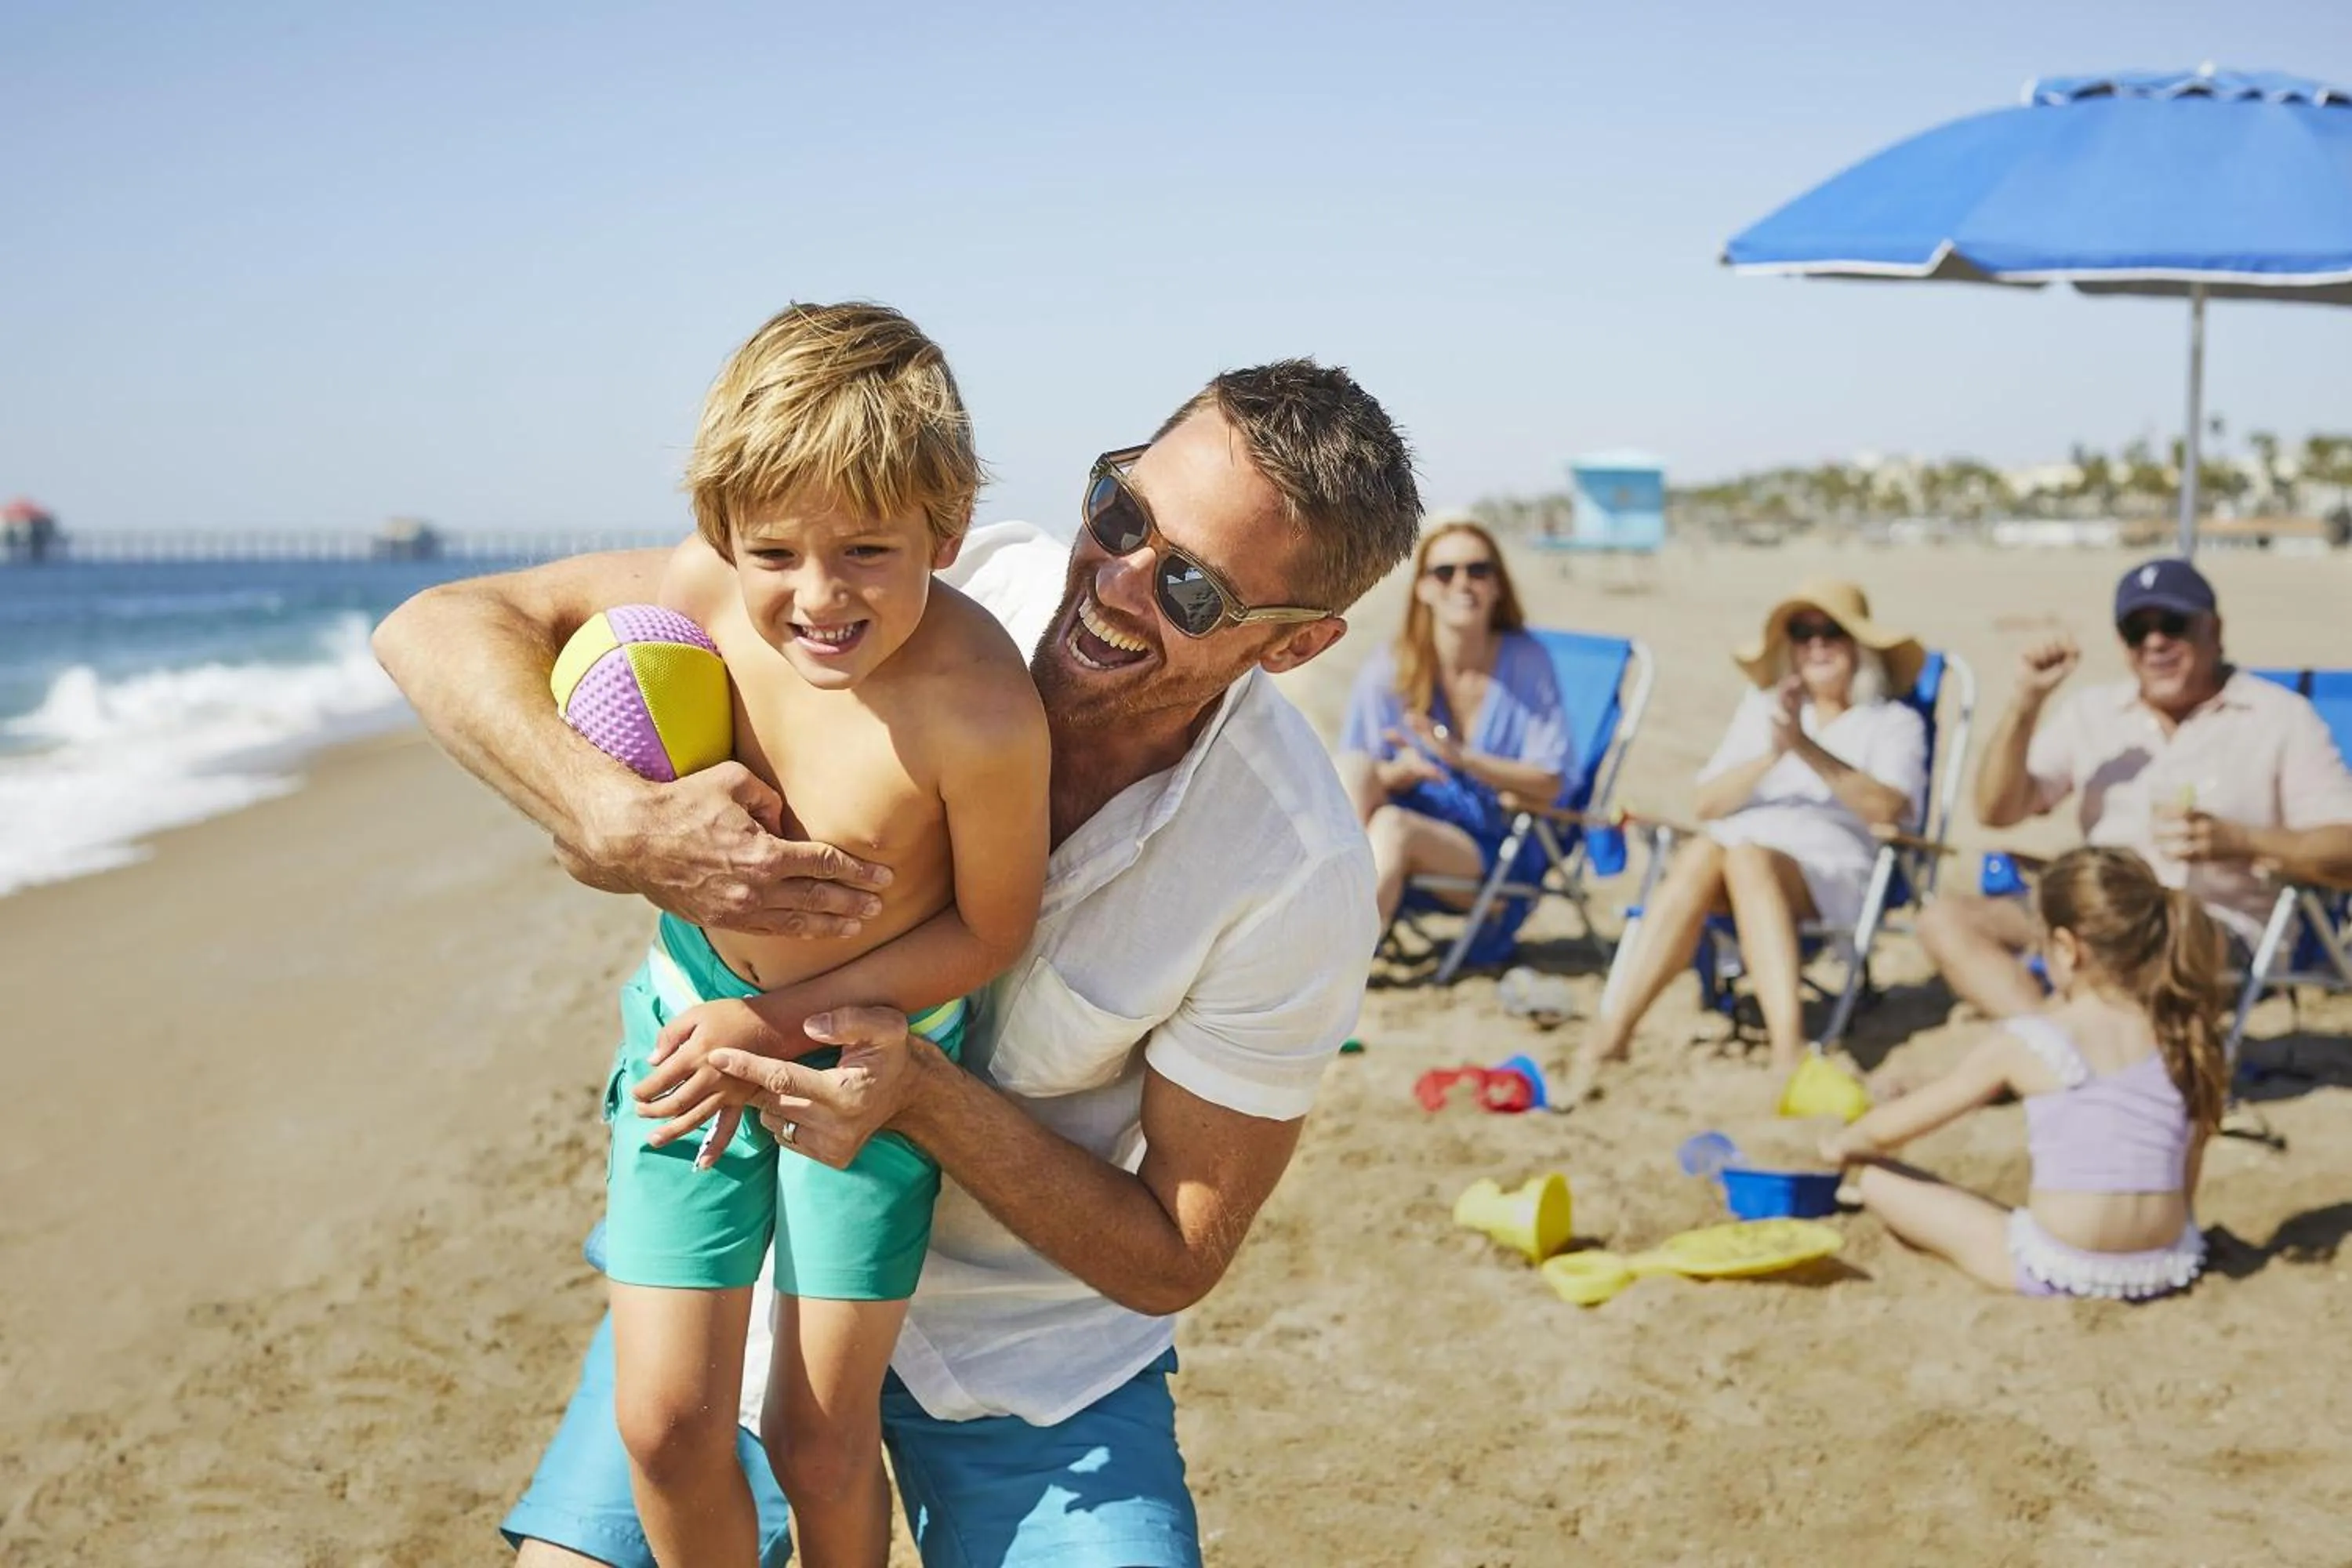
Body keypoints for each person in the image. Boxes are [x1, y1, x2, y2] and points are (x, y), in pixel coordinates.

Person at [371, 358, 1422, 1568]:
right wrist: (613, 816)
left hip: (1027, 1361)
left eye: (1189, 587)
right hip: (754, 1281)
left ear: (1294, 649)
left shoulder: (1293, 872)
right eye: (1122, 514)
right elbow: (442, 626)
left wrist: (922, 1093)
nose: (1116, 582)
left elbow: (1174, 1253)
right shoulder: (890, 569)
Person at [574, 303, 1050, 1568]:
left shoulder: (984, 706)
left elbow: (993, 926)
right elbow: (584, 722)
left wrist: (768, 1023)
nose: (818, 596)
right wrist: (619, 816)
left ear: (946, 532)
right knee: (665, 1420)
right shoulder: (694, 601)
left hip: (856, 1075)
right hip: (687, 1026)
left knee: (818, 1440)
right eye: (773, 549)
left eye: (868, 550)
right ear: (723, 531)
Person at [1918, 557, 2352, 1022]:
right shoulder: (2094, 712)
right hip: (2095, 914)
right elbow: (1996, 810)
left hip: (2210, 928)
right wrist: (2026, 703)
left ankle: (2059, 1048)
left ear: (2215, 629)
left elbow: (2344, 847)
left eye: (2173, 624)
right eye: (2135, 631)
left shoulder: (2280, 717)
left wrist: (2242, 842)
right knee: (1945, 920)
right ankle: (2059, 1045)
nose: (2155, 643)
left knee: (2122, 937)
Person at [1820, 846, 2224, 1300]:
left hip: (2061, 1265)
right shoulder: (2184, 1036)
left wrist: (1844, 1144)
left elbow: (1896, 1128)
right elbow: (2187, 1170)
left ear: (2068, 949)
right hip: (2168, 1262)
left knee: (1880, 1182)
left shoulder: (2039, 1039)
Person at [1570, 579, 1928, 1087]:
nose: (1817, 645)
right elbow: (1707, 802)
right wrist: (1777, 749)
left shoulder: (1892, 722)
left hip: (1828, 867)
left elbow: (1889, 808)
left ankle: (1787, 1048)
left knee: (1743, 854)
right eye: (1803, 634)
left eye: (1832, 633)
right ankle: (1615, 1034)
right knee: (1708, 852)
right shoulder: (1763, 710)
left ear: (1860, 647)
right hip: (1734, 854)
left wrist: (1807, 748)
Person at [1334, 515, 1570, 937]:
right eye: (1445, 572)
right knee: (1355, 768)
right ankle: (1326, 904)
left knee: (1393, 827)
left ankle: (1330, 959)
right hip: (1396, 823)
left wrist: (1461, 759)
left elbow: (1550, 782)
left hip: (1488, 840)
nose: (1463, 583)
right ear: (1423, 587)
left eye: (1479, 570)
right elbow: (1358, 776)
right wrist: (1400, 773)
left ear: (1497, 585)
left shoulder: (1527, 661)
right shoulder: (1392, 666)